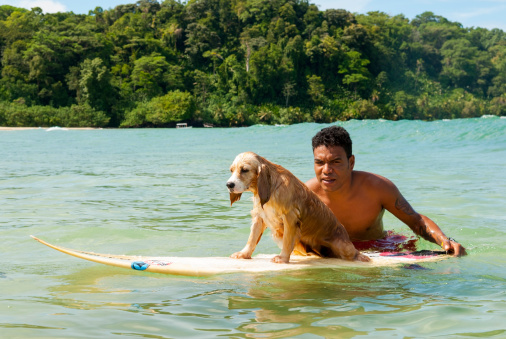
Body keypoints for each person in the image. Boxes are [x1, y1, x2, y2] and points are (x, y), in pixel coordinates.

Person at [305, 126, 467, 256]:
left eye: (335, 162)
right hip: (334, 252)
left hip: (379, 247)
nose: (326, 170)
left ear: (351, 162)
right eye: (319, 162)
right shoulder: (306, 196)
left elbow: (416, 222)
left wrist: (446, 241)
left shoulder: (377, 188)